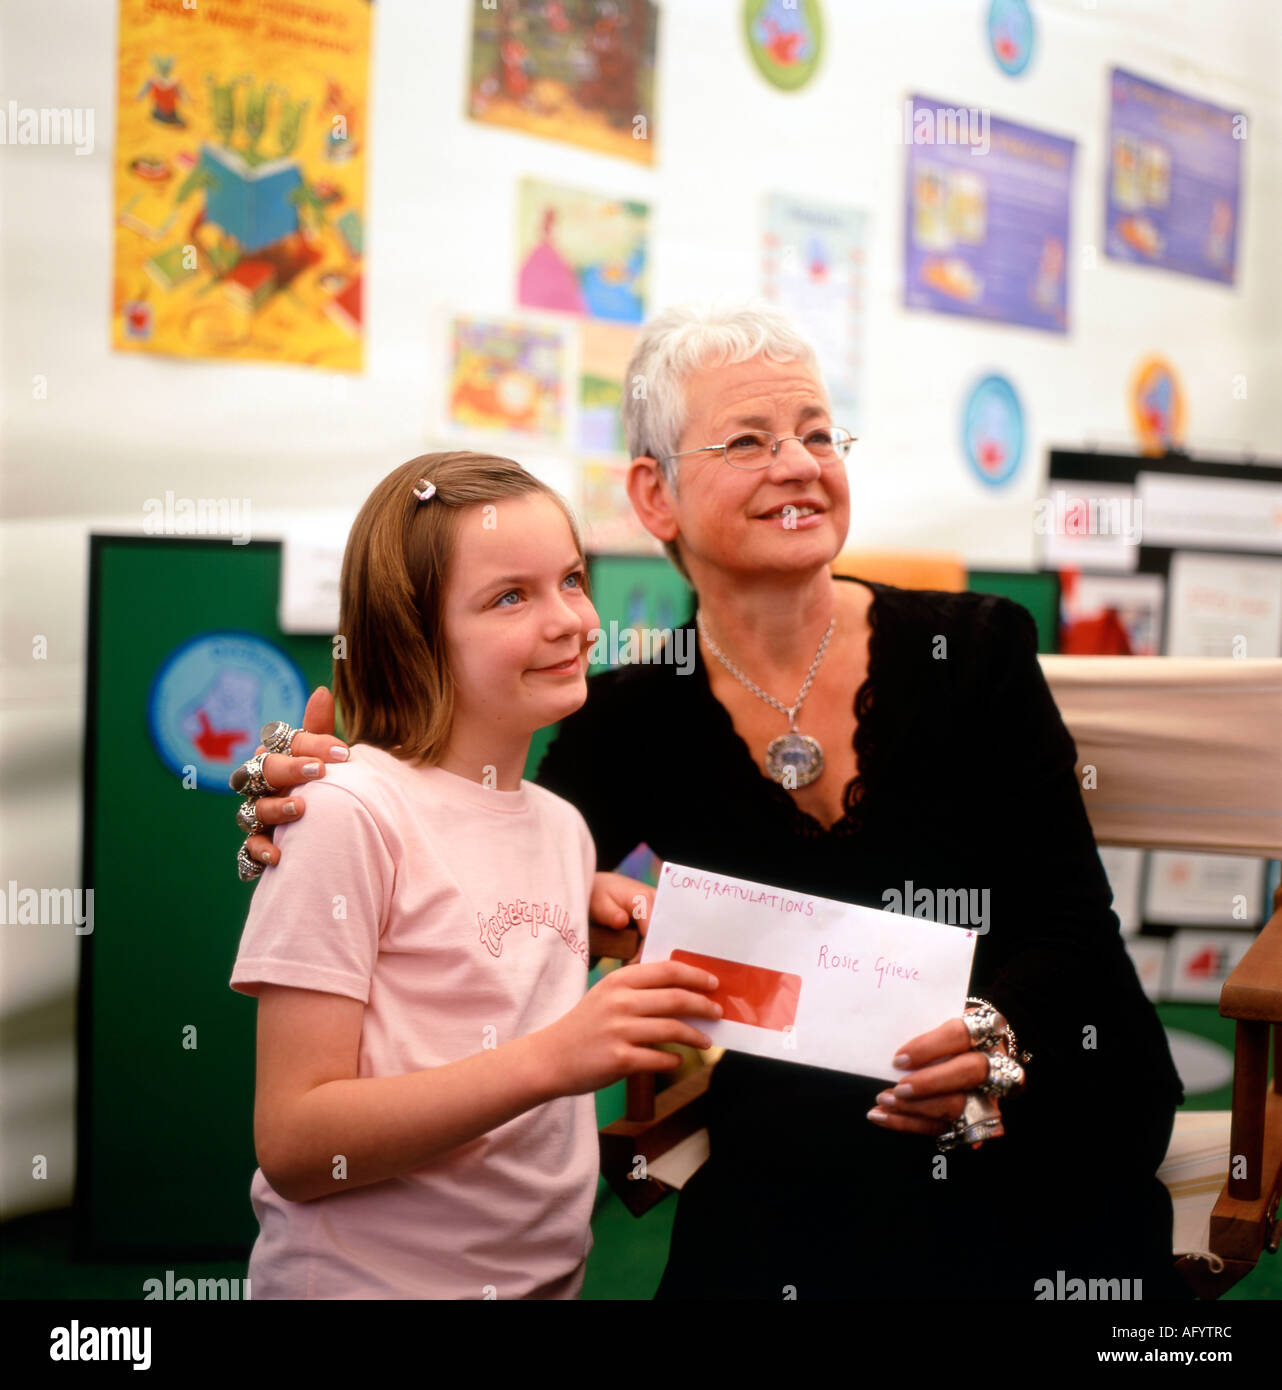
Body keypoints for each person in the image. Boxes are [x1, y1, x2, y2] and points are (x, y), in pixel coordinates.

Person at [231, 302, 1190, 1300]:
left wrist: (994, 1032)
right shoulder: (635, 715)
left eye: (818, 433)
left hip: (1035, 1105)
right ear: (655, 492)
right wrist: (289, 802)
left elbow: (1073, 923)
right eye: (749, 440)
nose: (799, 463)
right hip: (807, 1146)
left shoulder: (976, 648)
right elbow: (473, 844)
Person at [228, 451, 720, 1299]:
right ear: (411, 635)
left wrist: (586, 902)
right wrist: (555, 1058)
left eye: (571, 579)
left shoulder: (566, 829)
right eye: (509, 597)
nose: (570, 619)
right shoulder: (346, 814)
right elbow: (299, 1144)